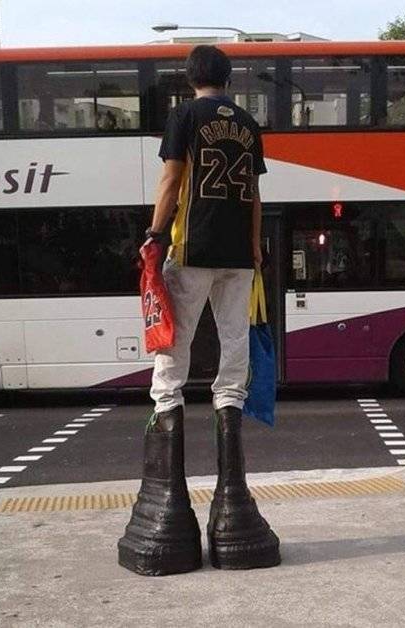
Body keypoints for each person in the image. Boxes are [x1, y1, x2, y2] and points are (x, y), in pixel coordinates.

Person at [118, 45, 280, 576]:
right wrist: (254, 247)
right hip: (239, 256)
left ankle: (168, 503)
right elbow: (253, 194)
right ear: (228, 78)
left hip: (192, 249)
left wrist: (155, 232)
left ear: (190, 78)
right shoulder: (248, 124)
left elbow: (172, 180)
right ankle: (233, 514)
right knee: (233, 349)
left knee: (174, 347)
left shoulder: (185, 116)